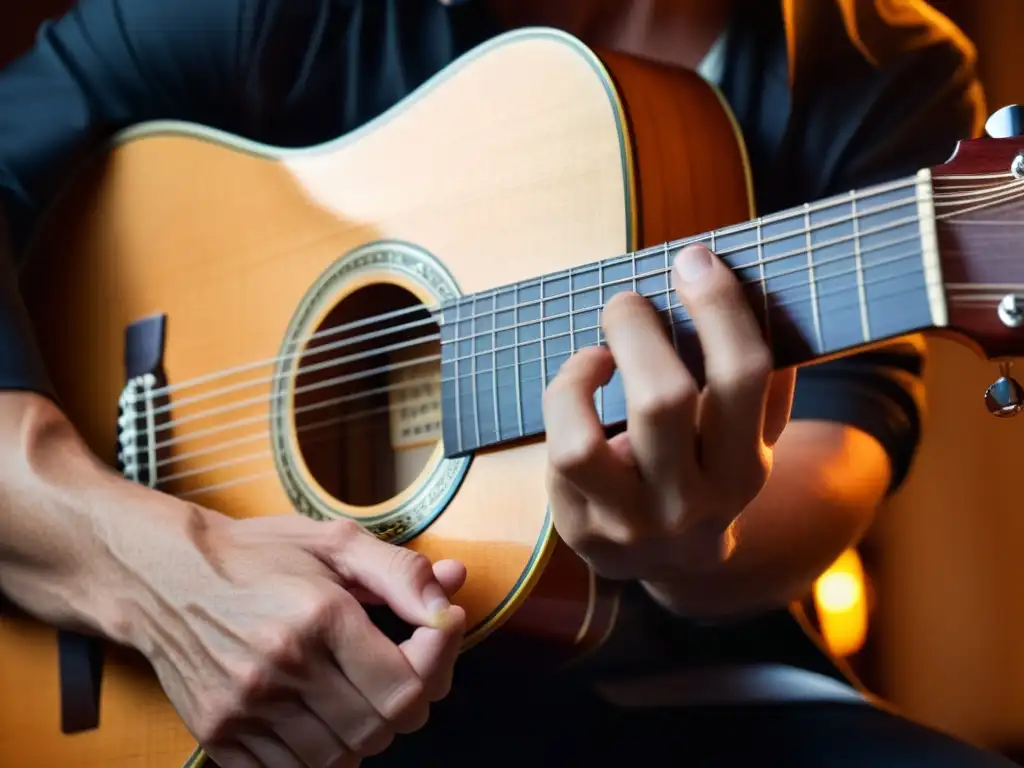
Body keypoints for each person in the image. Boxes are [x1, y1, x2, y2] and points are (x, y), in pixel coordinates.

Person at [0, 0, 1013, 766]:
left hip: (631, 685)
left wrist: (704, 538)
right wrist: (140, 566)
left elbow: (837, 444)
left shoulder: (880, 63)